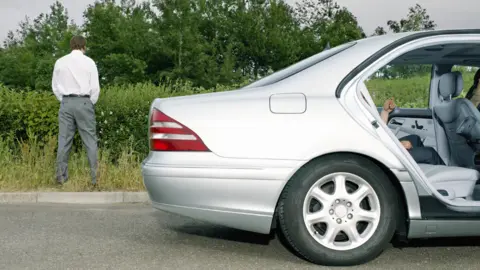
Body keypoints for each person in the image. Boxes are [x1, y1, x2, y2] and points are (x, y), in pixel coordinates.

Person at [52, 35, 100, 186]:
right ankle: (95, 178)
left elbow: (55, 86)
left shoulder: (60, 62)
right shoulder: (89, 62)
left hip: (66, 102)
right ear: (83, 46)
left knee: (64, 140)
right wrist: (89, 102)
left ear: (71, 45)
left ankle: (61, 177)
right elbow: (95, 88)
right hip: (84, 101)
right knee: (90, 141)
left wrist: (64, 100)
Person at [380, 98, 445, 165]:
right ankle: (447, 174)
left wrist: (385, 111)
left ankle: (420, 168)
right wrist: (397, 145)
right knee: (430, 153)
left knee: (415, 138)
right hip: (382, 151)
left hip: (382, 145)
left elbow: (378, 130)